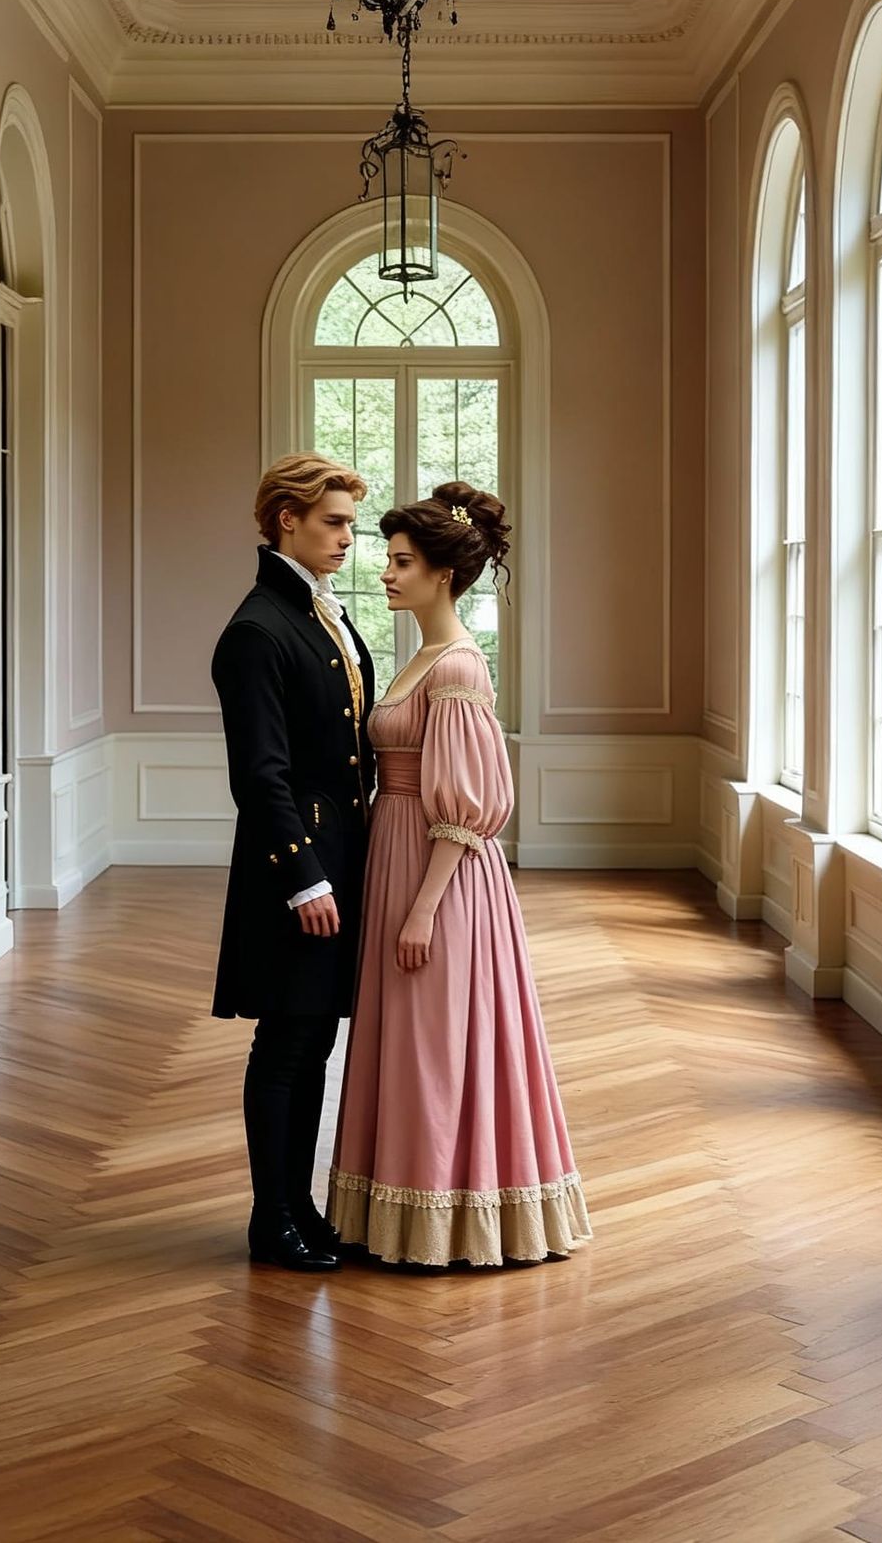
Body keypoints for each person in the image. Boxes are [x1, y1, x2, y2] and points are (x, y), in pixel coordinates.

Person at [328, 481, 592, 1267]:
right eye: (387, 558)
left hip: (436, 875)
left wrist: (423, 910)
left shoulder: (459, 670)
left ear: (443, 574)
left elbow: (470, 808)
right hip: (395, 855)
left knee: (436, 1041)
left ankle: (455, 1216)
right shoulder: (423, 658)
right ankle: (397, 1213)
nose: (385, 572)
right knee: (404, 1039)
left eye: (401, 562)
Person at [211, 453, 377, 1273]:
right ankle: (269, 1218)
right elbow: (261, 776)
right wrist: (304, 876)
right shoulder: (256, 630)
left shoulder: (316, 613)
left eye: (349, 521)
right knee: (284, 1042)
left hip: (338, 861)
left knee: (311, 1038)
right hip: (298, 873)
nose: (350, 537)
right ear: (286, 519)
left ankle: (300, 1206)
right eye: (334, 522)